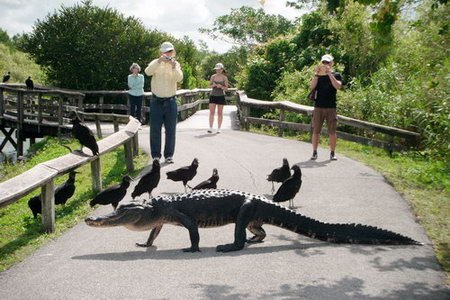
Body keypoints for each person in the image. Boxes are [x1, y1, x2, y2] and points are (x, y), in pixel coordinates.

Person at [144, 41, 183, 164]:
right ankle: (156, 156)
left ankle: (169, 155)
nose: (168, 53)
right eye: (166, 51)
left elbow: (179, 78)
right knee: (155, 130)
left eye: (170, 51)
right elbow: (147, 72)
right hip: (157, 101)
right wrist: (159, 61)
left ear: (173, 52)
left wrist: (173, 66)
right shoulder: (155, 63)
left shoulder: (176, 65)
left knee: (171, 130)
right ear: (161, 52)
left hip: (171, 101)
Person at [309, 54, 342, 161]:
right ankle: (314, 152)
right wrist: (316, 74)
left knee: (332, 131)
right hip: (318, 107)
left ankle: (332, 153)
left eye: (327, 62)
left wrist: (329, 74)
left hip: (331, 107)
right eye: (323, 62)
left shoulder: (336, 75)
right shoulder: (318, 76)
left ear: (332, 63)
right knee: (316, 131)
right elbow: (312, 87)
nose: (325, 64)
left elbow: (337, 86)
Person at [208, 63, 229, 133]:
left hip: (221, 96)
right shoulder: (213, 76)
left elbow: (226, 89)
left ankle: (219, 128)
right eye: (216, 69)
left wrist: (221, 87)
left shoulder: (224, 78)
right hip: (213, 95)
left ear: (222, 70)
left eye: (219, 69)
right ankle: (210, 128)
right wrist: (213, 85)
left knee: (220, 113)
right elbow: (209, 86)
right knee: (211, 112)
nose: (217, 71)